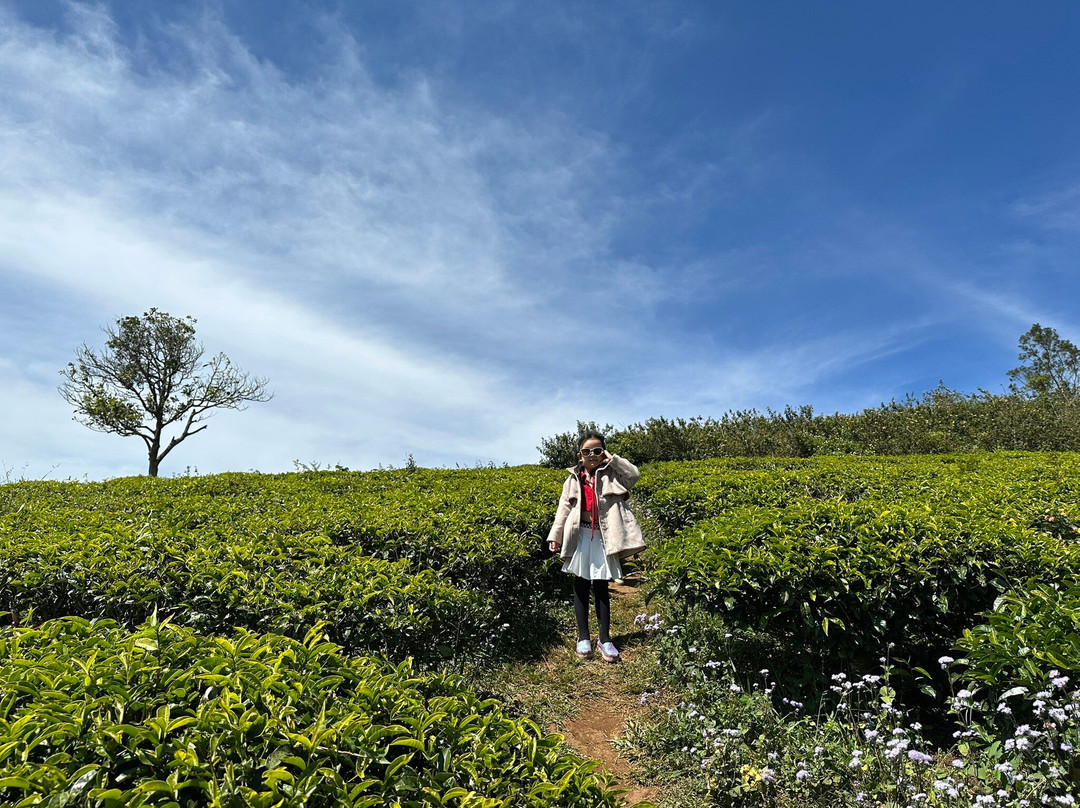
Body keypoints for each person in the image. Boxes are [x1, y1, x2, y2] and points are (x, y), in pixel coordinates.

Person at [547, 431, 646, 662]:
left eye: (597, 451)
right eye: (587, 451)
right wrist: (556, 536)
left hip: (604, 535)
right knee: (580, 586)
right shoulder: (572, 479)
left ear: (604, 453)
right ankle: (583, 637)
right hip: (579, 535)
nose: (592, 455)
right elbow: (563, 509)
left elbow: (634, 475)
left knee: (601, 586)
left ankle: (605, 638)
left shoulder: (613, 473)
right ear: (579, 455)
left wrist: (614, 460)